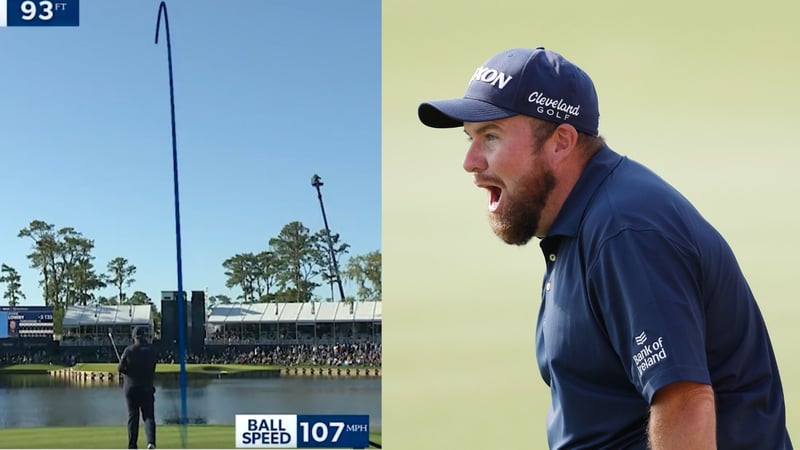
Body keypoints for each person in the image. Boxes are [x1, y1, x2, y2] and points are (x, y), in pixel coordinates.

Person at [418, 47, 793, 449]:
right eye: (470, 138)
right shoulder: (582, 223)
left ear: (561, 142)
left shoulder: (625, 230)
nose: (470, 161)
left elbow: (685, 404)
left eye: (490, 136)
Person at [118, 326, 158, 449]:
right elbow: (152, 367)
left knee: (133, 417)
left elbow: (120, 368)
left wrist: (127, 370)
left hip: (131, 388)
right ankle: (150, 442)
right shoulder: (151, 350)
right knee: (149, 416)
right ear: (145, 336)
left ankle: (132, 445)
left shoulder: (129, 350)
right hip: (146, 387)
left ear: (134, 337)